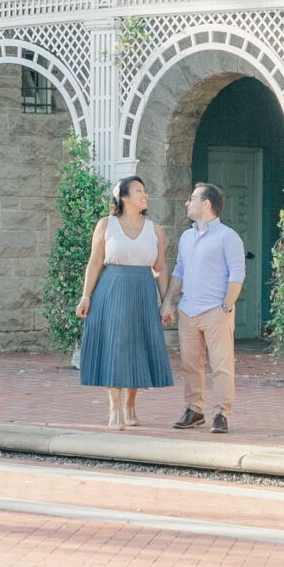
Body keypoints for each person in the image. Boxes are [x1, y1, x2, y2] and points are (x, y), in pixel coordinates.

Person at [76, 175, 174, 428]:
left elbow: (160, 268)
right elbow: (95, 262)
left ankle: (131, 403)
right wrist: (86, 295)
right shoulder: (106, 225)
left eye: (145, 190)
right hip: (111, 289)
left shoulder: (155, 229)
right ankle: (114, 407)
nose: (145, 195)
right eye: (139, 190)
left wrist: (166, 302)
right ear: (123, 197)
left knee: (138, 347)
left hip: (142, 290)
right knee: (115, 347)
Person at [170, 181, 247, 433]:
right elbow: (179, 271)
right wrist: (169, 302)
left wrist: (226, 305)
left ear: (206, 204)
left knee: (221, 366)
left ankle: (221, 414)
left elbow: (237, 273)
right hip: (188, 311)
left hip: (216, 311)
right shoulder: (186, 236)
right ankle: (195, 410)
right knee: (189, 365)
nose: (186, 203)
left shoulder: (227, 236)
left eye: (192, 198)